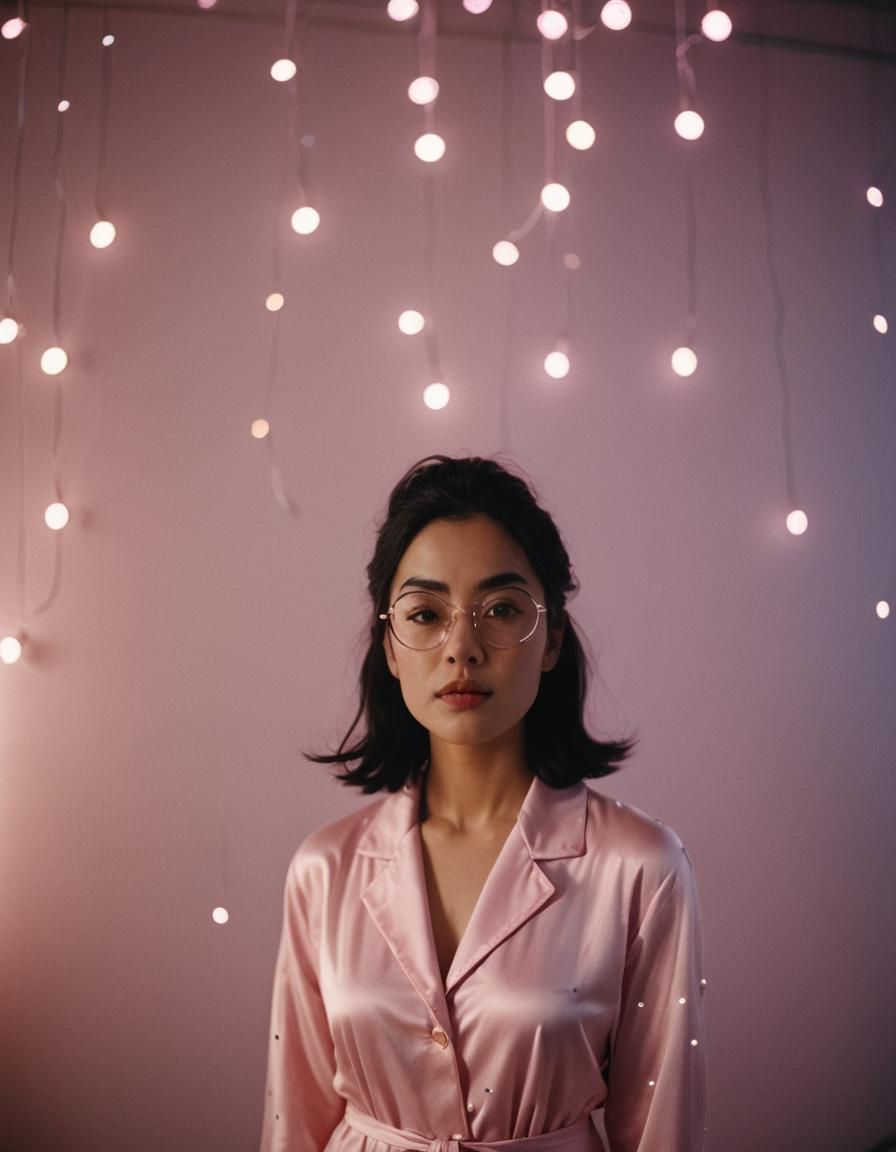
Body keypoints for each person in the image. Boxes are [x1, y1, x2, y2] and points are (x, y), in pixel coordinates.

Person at [259, 455, 707, 1152]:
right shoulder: (325, 869)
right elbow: (293, 1122)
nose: (462, 648)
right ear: (391, 645)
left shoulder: (641, 869)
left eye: (501, 609)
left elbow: (661, 1129)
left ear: (552, 636)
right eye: (426, 614)